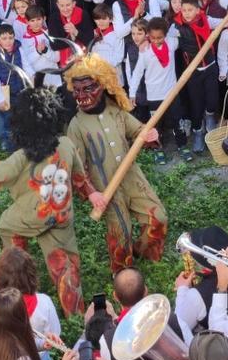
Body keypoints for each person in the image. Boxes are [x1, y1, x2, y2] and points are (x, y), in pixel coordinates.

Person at [0, 83, 96, 315]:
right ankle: (76, 313)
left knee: (6, 225)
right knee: (65, 264)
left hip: (30, 217)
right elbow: (79, 178)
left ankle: (18, 277)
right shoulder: (66, 144)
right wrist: (91, 195)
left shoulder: (20, 157)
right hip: (61, 214)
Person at [62, 53, 167, 272]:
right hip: (105, 188)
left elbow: (138, 131)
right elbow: (76, 166)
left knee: (158, 217)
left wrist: (149, 136)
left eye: (88, 88)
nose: (82, 95)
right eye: (77, 90)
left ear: (103, 85)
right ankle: (123, 273)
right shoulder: (76, 125)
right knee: (121, 233)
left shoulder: (116, 111)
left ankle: (144, 251)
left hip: (131, 177)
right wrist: (91, 193)